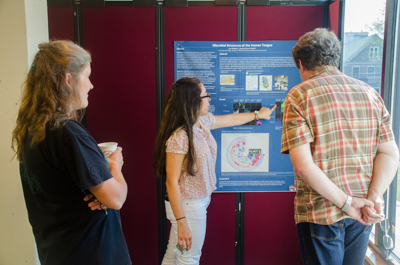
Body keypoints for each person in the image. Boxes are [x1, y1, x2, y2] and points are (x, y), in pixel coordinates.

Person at [281, 28, 399, 265]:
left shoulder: (300, 95)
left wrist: (346, 202)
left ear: (302, 64)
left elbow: (303, 166)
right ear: (335, 58)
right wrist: (374, 197)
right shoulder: (370, 93)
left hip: (321, 211)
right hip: (363, 211)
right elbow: (389, 152)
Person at [11, 40, 131, 265]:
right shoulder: (67, 132)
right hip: (92, 254)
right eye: (86, 76)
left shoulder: (33, 129)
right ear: (69, 79)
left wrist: (98, 189)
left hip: (59, 252)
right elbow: (117, 198)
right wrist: (114, 168)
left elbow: (63, 191)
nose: (91, 85)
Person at [153, 77, 276, 264]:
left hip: (193, 203)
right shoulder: (180, 137)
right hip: (187, 205)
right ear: (193, 100)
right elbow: (171, 182)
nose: (209, 99)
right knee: (189, 258)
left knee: (174, 254)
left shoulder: (200, 123)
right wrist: (182, 221)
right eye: (205, 95)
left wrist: (258, 115)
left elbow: (229, 119)